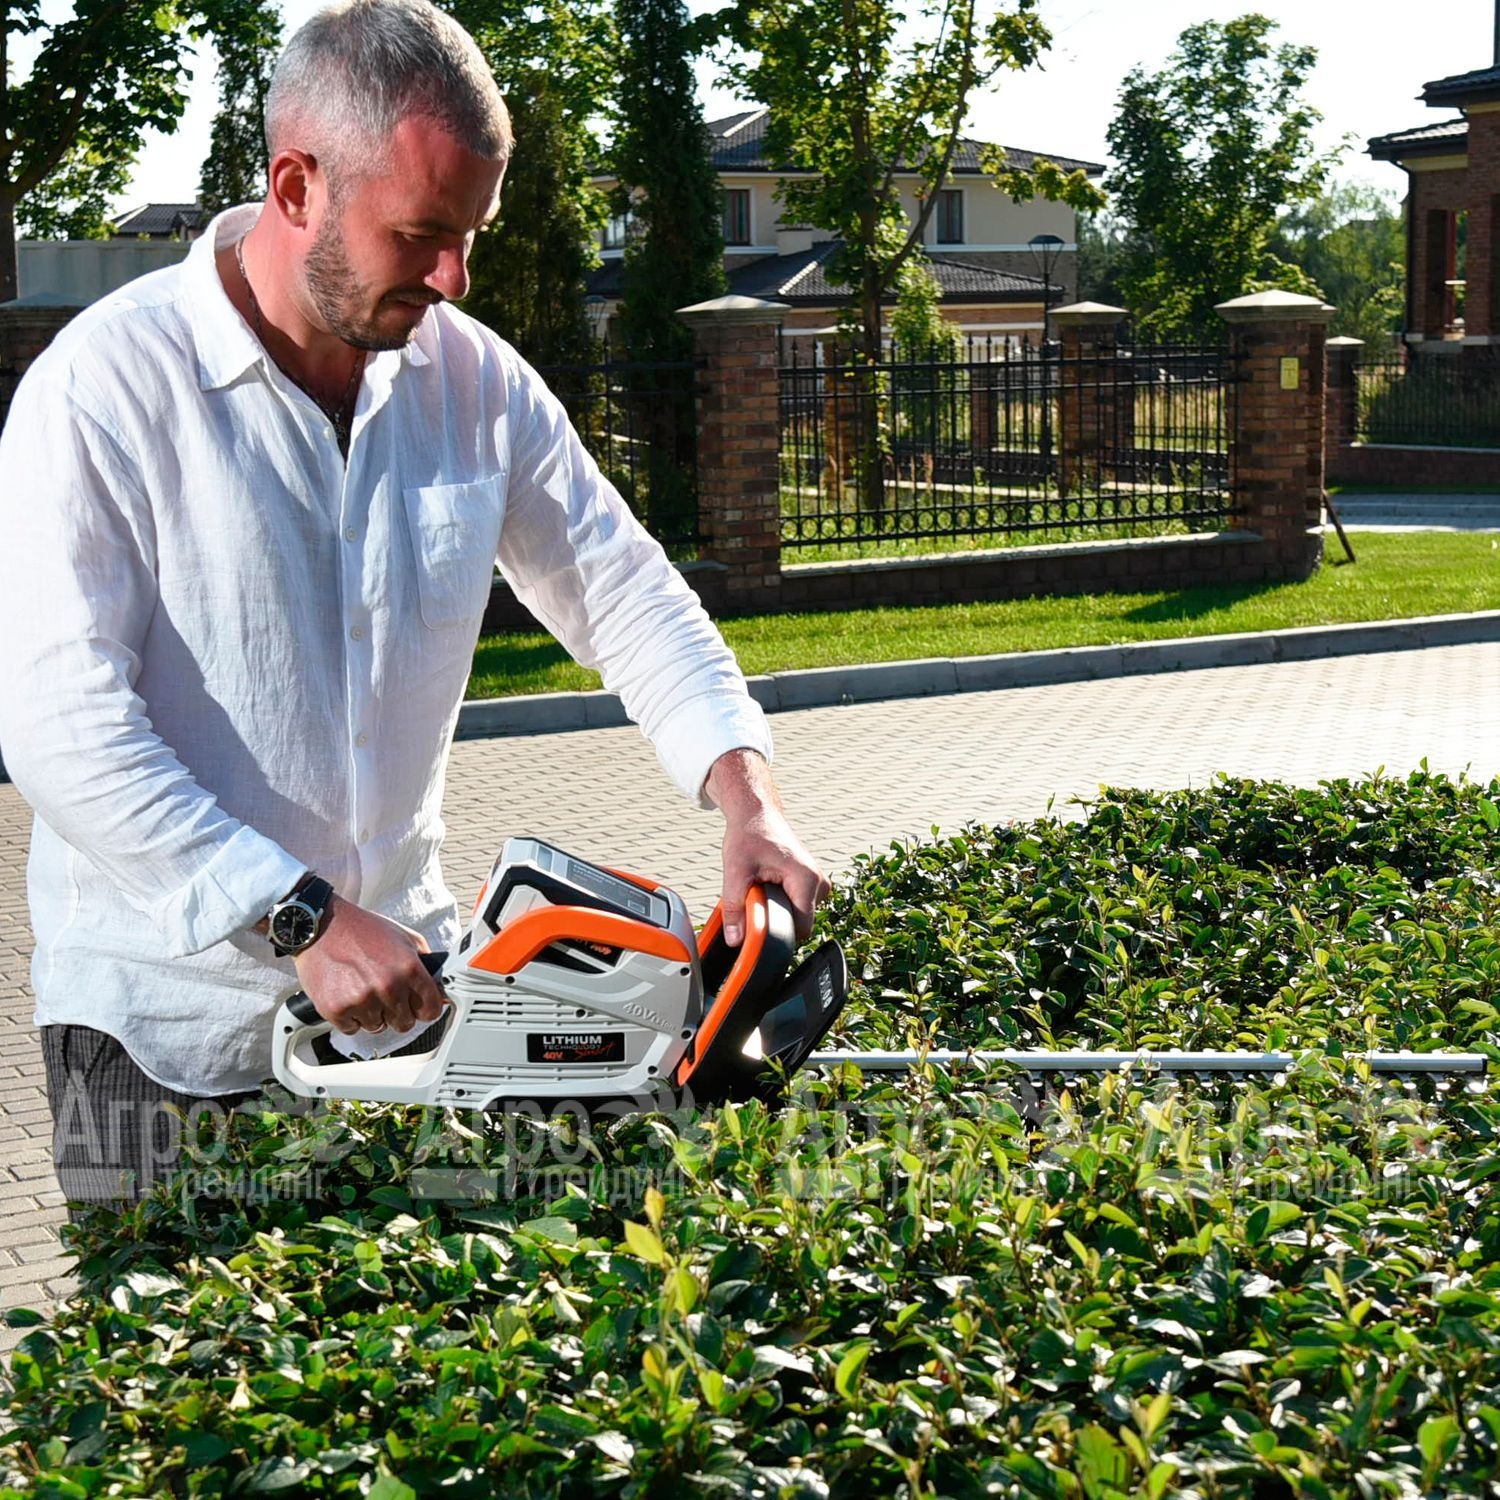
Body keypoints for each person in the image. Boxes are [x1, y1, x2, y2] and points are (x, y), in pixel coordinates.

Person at [0, 0, 828, 1211]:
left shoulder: (473, 381)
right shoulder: (105, 391)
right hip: (162, 1041)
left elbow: (626, 593)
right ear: (297, 188)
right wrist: (300, 919)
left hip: (411, 1020)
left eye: (470, 235)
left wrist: (748, 798)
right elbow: (62, 729)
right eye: (422, 235)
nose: (455, 277)